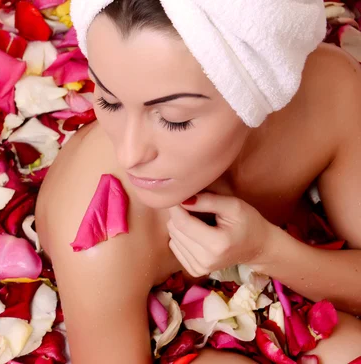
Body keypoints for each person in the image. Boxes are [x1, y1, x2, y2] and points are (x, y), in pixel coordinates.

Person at [35, 0, 361, 363]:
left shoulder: (329, 93)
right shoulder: (95, 226)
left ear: (260, 87)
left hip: (274, 288)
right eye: (110, 102)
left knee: (349, 346)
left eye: (174, 119)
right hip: (164, 339)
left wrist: (267, 251)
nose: (129, 154)